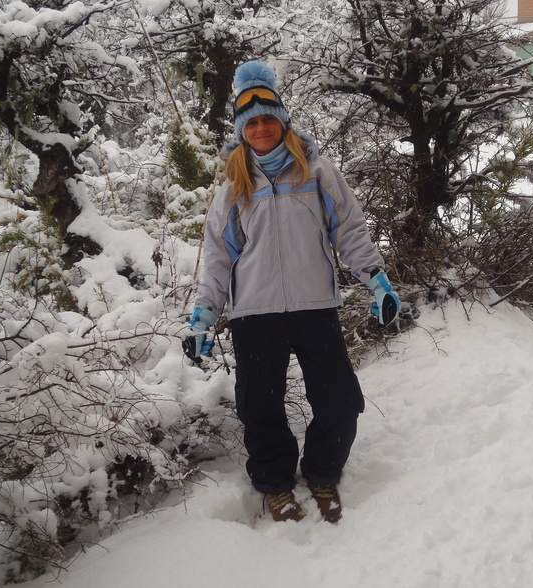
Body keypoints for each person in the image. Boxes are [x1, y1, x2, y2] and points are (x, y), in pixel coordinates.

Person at [183, 61, 400, 523]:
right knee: (259, 407)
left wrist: (377, 281)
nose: (262, 128)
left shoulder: (318, 173)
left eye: (269, 119)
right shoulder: (233, 188)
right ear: (243, 130)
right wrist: (204, 315)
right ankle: (276, 485)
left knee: (340, 400)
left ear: (282, 121)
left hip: (314, 306)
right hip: (254, 314)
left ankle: (322, 472)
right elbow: (219, 258)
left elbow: (351, 232)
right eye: (252, 122)